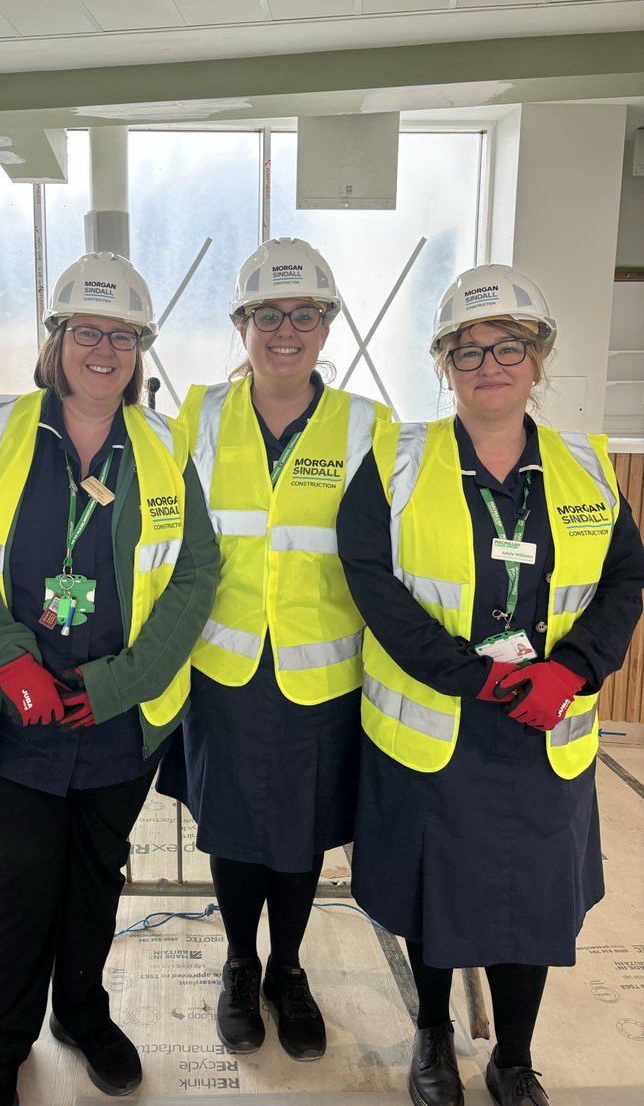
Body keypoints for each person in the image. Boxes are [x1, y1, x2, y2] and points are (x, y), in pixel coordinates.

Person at [0, 251, 219, 1106]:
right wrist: (6, 657)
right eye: (87, 330)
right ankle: (3, 1044)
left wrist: (121, 684)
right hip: (8, 719)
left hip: (116, 723)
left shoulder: (162, 446)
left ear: (139, 350)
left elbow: (195, 573)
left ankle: (82, 1012)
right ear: (55, 341)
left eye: (122, 336)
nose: (104, 350)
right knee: (9, 890)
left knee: (93, 876)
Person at [337, 264, 644, 1106]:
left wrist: (573, 671)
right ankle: (433, 1035)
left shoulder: (584, 468)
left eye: (510, 346)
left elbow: (625, 582)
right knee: (436, 896)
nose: (489, 364)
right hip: (440, 729)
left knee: (530, 903)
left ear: (538, 360)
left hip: (547, 733)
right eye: (467, 351)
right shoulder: (396, 462)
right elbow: (372, 583)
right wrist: (474, 677)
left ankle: (513, 1055)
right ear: (443, 365)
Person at [158, 237, 391, 1061]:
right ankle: (236, 963)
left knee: (298, 836)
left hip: (321, 674)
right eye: (267, 314)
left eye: (304, 315)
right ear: (242, 324)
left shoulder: (371, 427)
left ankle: (287, 969)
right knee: (230, 829)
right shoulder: (198, 418)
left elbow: (388, 557)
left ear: (326, 326)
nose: (284, 330)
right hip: (222, 668)